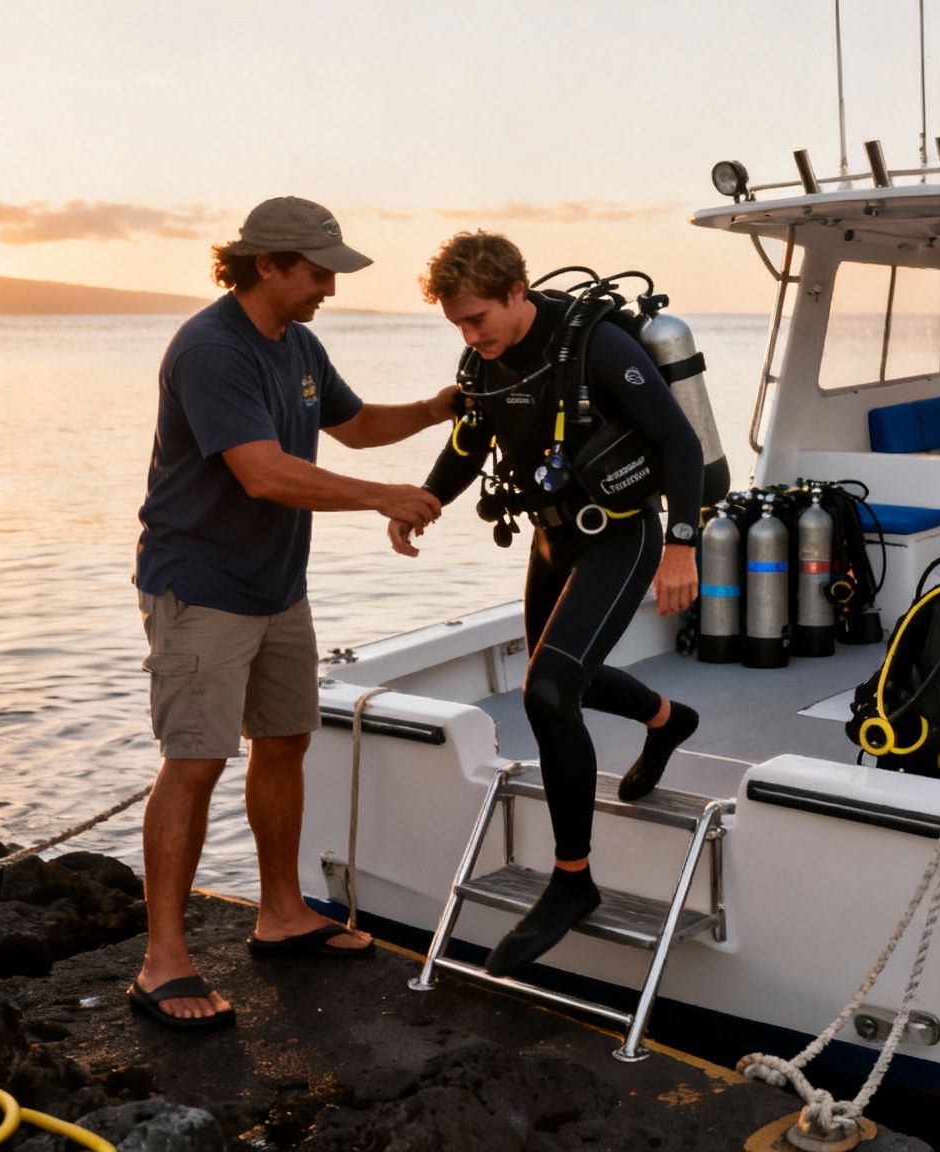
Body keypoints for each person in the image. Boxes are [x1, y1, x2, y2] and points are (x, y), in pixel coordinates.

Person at [130, 197, 458, 1029]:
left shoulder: (301, 344)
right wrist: (385, 497)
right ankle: (161, 961)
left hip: (278, 586)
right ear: (267, 265)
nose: (330, 290)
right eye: (317, 274)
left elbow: (351, 428)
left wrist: (433, 409)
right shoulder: (210, 349)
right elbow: (264, 474)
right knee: (194, 762)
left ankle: (281, 914)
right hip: (200, 589)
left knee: (283, 743)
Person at [397, 231, 702, 976]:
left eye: (477, 319)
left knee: (547, 691)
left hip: (620, 536)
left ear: (514, 291)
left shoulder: (595, 347)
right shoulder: (483, 361)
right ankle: (668, 720)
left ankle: (574, 882)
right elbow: (471, 440)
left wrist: (682, 547)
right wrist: (428, 498)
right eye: (458, 326)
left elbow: (680, 443)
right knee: (565, 677)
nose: (470, 337)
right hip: (551, 539)